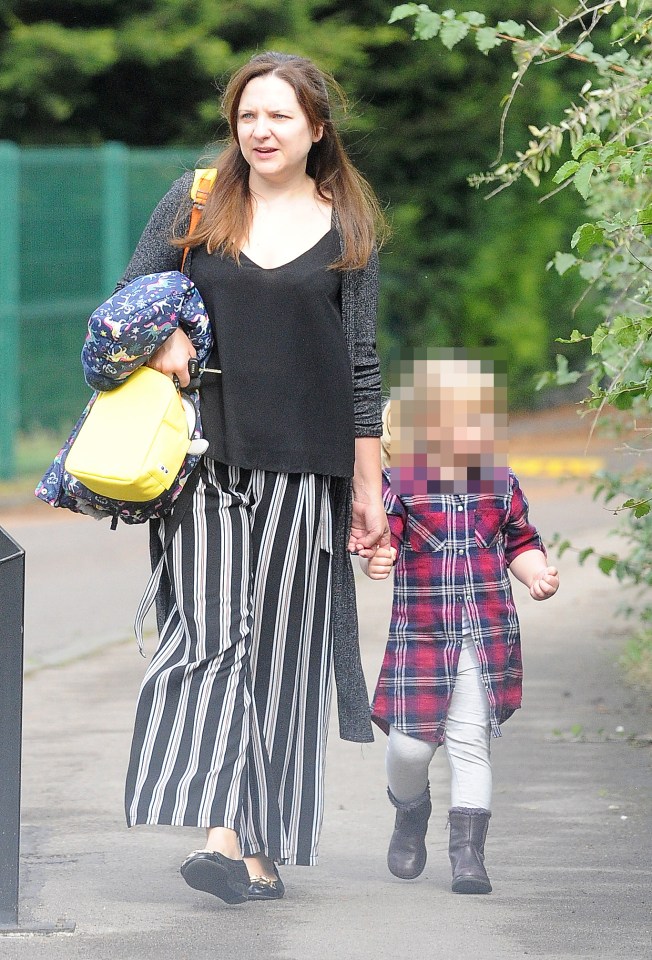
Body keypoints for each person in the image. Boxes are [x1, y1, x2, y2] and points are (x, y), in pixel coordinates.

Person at [116, 51, 390, 904]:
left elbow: (363, 366)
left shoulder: (349, 226)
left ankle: (259, 849)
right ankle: (222, 835)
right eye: (247, 116)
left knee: (281, 658)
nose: (260, 131)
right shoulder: (198, 201)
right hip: (202, 461)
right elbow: (129, 296)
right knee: (208, 639)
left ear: (316, 127)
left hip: (305, 473)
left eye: (278, 116)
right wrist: (159, 337)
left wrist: (369, 491)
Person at [360, 351, 559, 894]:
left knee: (471, 743)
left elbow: (521, 541)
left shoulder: (500, 485)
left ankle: (469, 855)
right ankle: (410, 809)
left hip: (482, 636)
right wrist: (379, 557)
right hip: (421, 636)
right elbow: (386, 538)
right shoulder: (399, 486)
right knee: (410, 749)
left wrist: (536, 573)